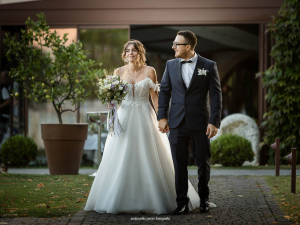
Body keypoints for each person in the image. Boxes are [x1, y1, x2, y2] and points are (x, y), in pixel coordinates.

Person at [84, 40, 211, 214]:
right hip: (124, 118)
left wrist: (162, 117)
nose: (131, 53)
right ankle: (117, 198)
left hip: (145, 116)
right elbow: (114, 98)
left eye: (134, 50)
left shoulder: (150, 71)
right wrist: (110, 102)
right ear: (124, 53)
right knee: (121, 155)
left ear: (140, 53)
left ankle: (162, 198)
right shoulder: (118, 71)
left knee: (149, 153)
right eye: (128, 50)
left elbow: (155, 97)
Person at [158, 30, 222, 214]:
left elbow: (216, 95)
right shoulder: (170, 65)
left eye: (176, 44)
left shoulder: (209, 65)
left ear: (188, 46)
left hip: (201, 123)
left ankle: (204, 199)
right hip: (176, 122)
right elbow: (164, 92)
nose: (173, 47)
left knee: (203, 161)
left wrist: (214, 121)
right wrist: (162, 116)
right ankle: (182, 202)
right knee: (178, 164)